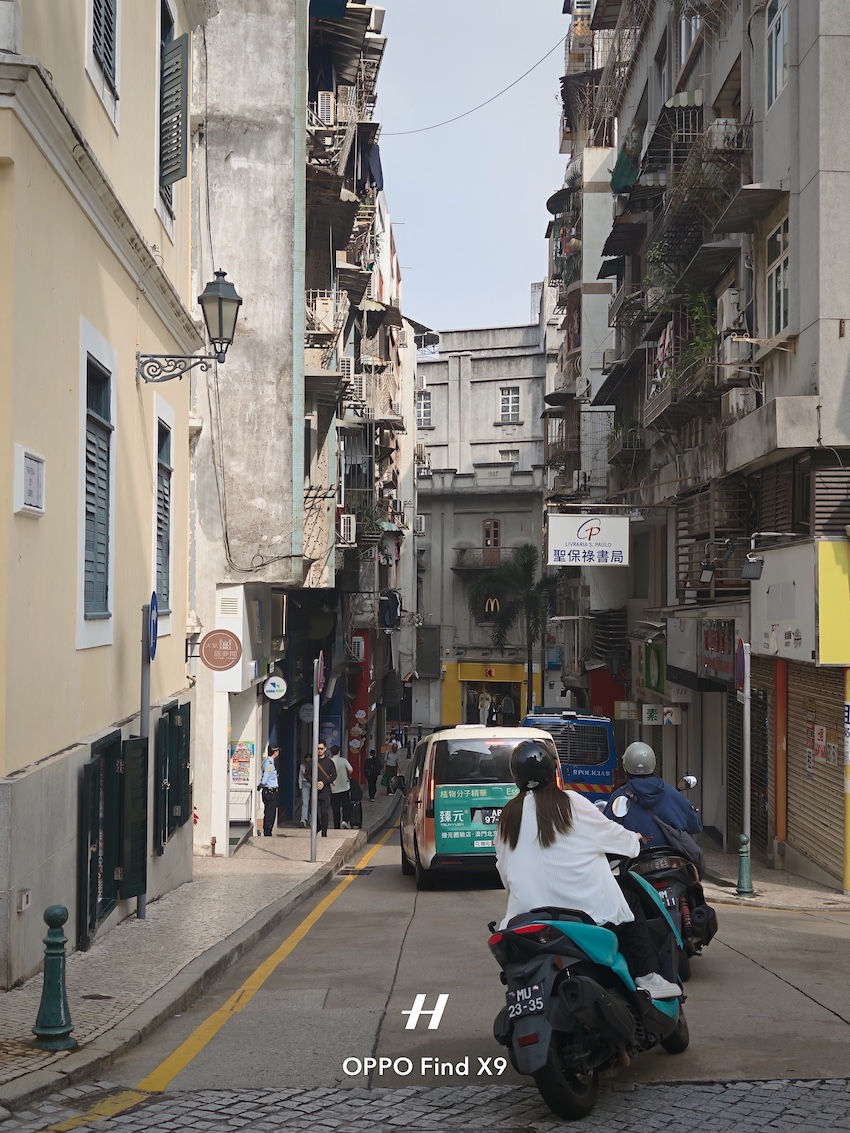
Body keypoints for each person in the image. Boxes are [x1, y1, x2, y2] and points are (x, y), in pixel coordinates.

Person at [495, 740, 681, 999]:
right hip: (586, 918)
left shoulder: (508, 817)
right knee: (631, 902)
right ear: (553, 770)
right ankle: (647, 976)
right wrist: (635, 839)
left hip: (527, 920)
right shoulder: (571, 802)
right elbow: (615, 836)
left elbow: (505, 873)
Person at [604, 742, 702, 851]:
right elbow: (695, 826)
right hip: (668, 854)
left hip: (634, 855)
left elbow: (606, 833)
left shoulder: (619, 796)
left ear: (625, 766)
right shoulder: (670, 793)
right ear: (653, 764)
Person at [314, 741, 337, 837]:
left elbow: (334, 775)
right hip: (314, 790)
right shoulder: (312, 761)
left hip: (325, 791)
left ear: (325, 749)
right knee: (313, 811)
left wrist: (323, 783)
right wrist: (315, 782)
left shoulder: (329, 762)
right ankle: (318, 826)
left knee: (324, 812)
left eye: (321, 749)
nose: (319, 751)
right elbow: (307, 775)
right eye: (317, 749)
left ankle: (324, 831)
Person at [257, 745, 280, 837]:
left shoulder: (269, 761)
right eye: (277, 751)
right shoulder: (270, 762)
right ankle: (267, 832)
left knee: (270, 812)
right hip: (270, 792)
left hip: (270, 791)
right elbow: (267, 774)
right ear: (275, 752)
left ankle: (268, 830)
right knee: (270, 813)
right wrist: (262, 784)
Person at [330, 744, 354, 830]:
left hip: (334, 788)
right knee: (345, 806)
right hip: (344, 787)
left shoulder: (330, 761)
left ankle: (336, 825)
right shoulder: (343, 760)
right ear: (339, 752)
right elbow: (351, 769)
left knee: (335, 809)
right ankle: (345, 820)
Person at [297, 754, 310, 828]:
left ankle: (312, 820)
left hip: (312, 783)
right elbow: (300, 776)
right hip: (305, 784)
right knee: (305, 802)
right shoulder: (302, 766)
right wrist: (300, 786)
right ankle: (303, 819)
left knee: (313, 803)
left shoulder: (315, 766)